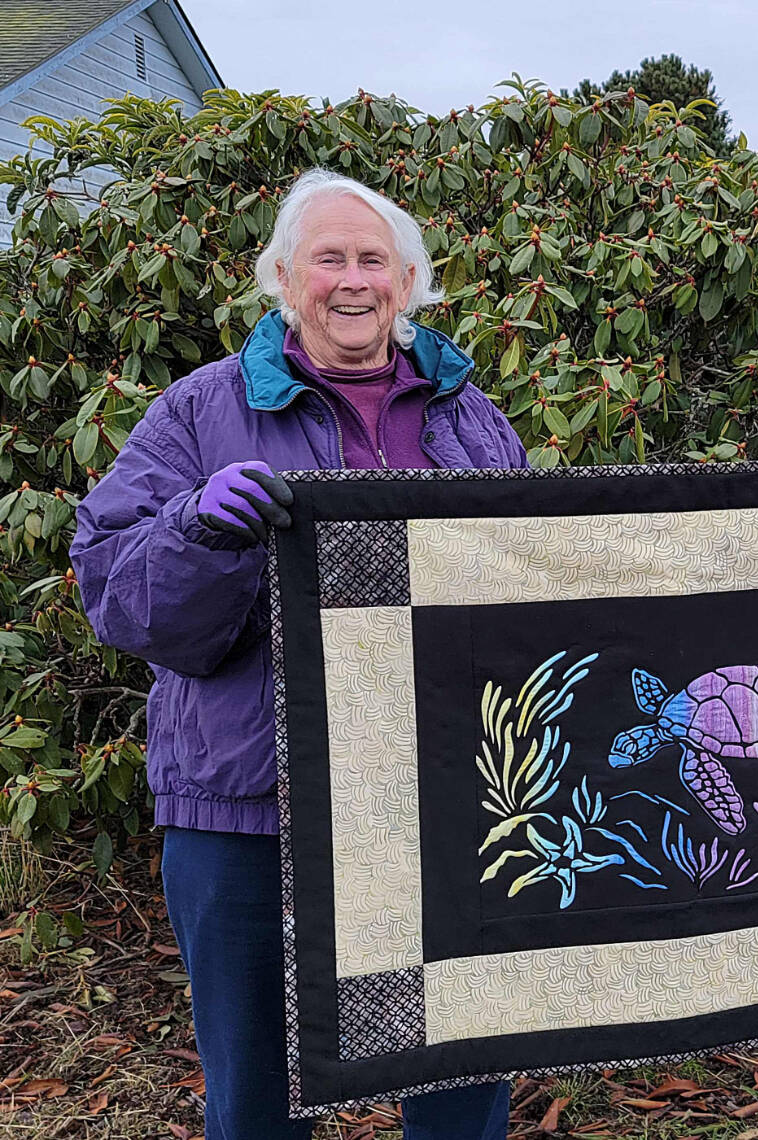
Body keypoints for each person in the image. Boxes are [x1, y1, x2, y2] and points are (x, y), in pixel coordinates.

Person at [71, 169, 526, 1140]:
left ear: (407, 282)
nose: (351, 280)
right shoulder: (199, 412)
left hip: (440, 806)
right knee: (257, 1101)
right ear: (283, 278)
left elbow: (522, 607)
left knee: (461, 1071)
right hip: (246, 815)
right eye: (328, 259)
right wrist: (199, 532)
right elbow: (117, 599)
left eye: (373, 260)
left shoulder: (470, 419)